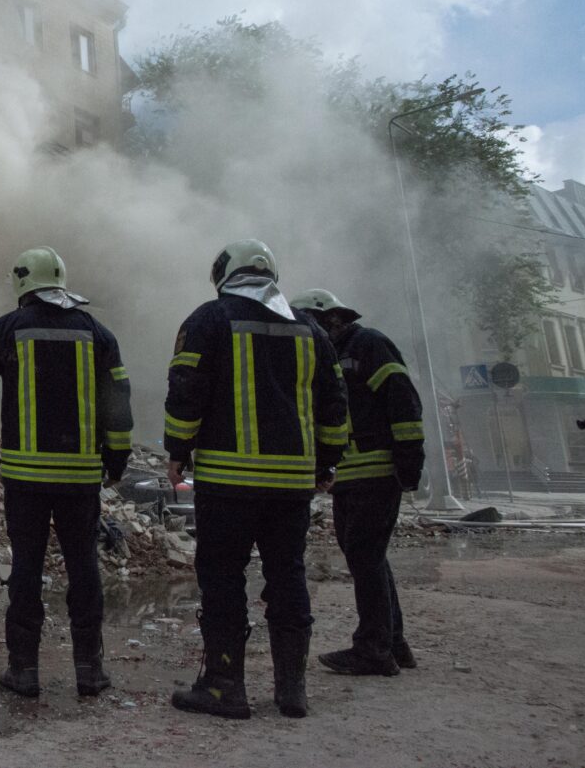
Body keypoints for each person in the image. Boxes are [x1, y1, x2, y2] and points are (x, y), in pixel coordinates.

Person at [165, 240, 347, 720]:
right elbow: (334, 406)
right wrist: (325, 463)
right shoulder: (310, 330)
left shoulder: (208, 320)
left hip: (228, 482)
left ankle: (225, 687)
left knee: (223, 578)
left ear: (223, 273)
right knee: (287, 574)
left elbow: (187, 391)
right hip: (291, 485)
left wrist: (177, 451)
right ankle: (292, 691)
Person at [0, 246, 134, 699]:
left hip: (26, 479)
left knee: (28, 571)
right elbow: (118, 404)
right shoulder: (98, 332)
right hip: (80, 479)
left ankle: (25, 671)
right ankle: (90, 671)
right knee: (84, 568)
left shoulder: (8, 329)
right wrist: (116, 462)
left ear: (21, 282)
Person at [290, 289, 424, 677]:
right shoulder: (329, 355)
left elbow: (403, 402)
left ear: (329, 318)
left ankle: (374, 649)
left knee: (365, 556)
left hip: (378, 472)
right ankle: (393, 644)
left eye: (309, 323)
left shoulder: (369, 344)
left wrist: (409, 462)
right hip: (350, 476)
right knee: (366, 557)